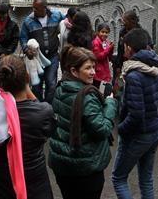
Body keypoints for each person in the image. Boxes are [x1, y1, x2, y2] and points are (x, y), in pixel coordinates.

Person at [0, 55, 55, 199]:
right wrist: (29, 91)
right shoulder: (43, 112)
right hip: (34, 185)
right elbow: (49, 130)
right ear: (27, 77)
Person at [49, 46, 118, 199]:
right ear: (74, 71)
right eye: (88, 68)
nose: (93, 72)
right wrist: (110, 104)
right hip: (85, 169)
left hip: (62, 165)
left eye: (93, 67)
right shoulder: (87, 97)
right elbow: (102, 129)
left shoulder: (61, 87)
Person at [112, 28, 158, 199]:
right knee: (146, 179)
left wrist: (121, 128)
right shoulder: (154, 66)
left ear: (129, 48)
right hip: (154, 130)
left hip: (138, 135)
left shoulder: (134, 75)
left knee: (119, 178)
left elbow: (136, 114)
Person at [20, 0, 65, 103]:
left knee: (51, 84)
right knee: (36, 86)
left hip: (52, 56)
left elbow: (67, 21)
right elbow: (23, 38)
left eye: (36, 8)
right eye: (33, 8)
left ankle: (48, 106)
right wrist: (26, 49)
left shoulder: (56, 16)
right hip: (36, 59)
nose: (34, 10)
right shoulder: (28, 21)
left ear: (44, 7)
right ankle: (39, 106)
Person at [113, 10, 144, 84]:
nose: (122, 22)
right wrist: (118, 66)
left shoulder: (141, 33)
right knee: (119, 84)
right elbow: (120, 50)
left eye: (125, 20)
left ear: (132, 21)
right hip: (123, 64)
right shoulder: (122, 32)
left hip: (135, 65)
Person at [91, 22, 114, 90]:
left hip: (104, 70)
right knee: (99, 90)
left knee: (103, 90)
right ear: (98, 32)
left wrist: (111, 49)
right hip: (98, 72)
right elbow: (98, 57)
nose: (104, 34)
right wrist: (109, 48)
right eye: (102, 32)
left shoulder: (106, 42)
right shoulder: (96, 42)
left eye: (106, 32)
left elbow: (108, 56)